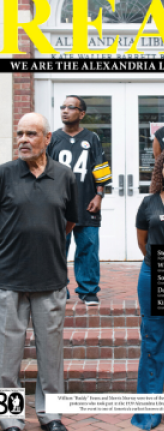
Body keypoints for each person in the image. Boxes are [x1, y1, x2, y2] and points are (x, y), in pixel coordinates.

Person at [0, 113, 78, 431]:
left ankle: (51, 416)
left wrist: (43, 240)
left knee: (50, 353)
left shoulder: (65, 176)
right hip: (9, 276)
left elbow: (69, 222)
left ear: (47, 138)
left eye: (31, 134)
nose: (23, 139)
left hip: (50, 276)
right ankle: (9, 417)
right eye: (19, 133)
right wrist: (13, 243)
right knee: (7, 351)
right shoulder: (2, 174)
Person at [47, 95, 112, 305]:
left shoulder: (92, 138)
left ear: (81, 113)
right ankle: (58, 289)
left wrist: (99, 194)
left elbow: (100, 168)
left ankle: (88, 290)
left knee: (89, 248)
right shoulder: (53, 139)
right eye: (62, 107)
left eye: (71, 107)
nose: (65, 111)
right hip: (59, 206)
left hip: (87, 203)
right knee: (58, 248)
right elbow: (43, 169)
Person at [131, 152, 164, 430]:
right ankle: (149, 413)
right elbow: (144, 243)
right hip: (156, 273)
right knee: (153, 343)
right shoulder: (148, 203)